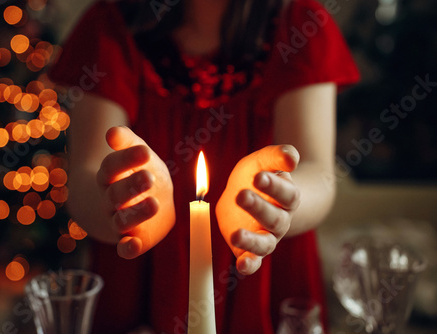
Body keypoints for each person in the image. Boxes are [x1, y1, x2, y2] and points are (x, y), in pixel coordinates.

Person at [49, 0, 359, 332]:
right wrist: (125, 207)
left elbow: (318, 173)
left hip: (265, 276)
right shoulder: (110, 23)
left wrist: (272, 202)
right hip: (141, 273)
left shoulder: (300, 23)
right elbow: (84, 179)